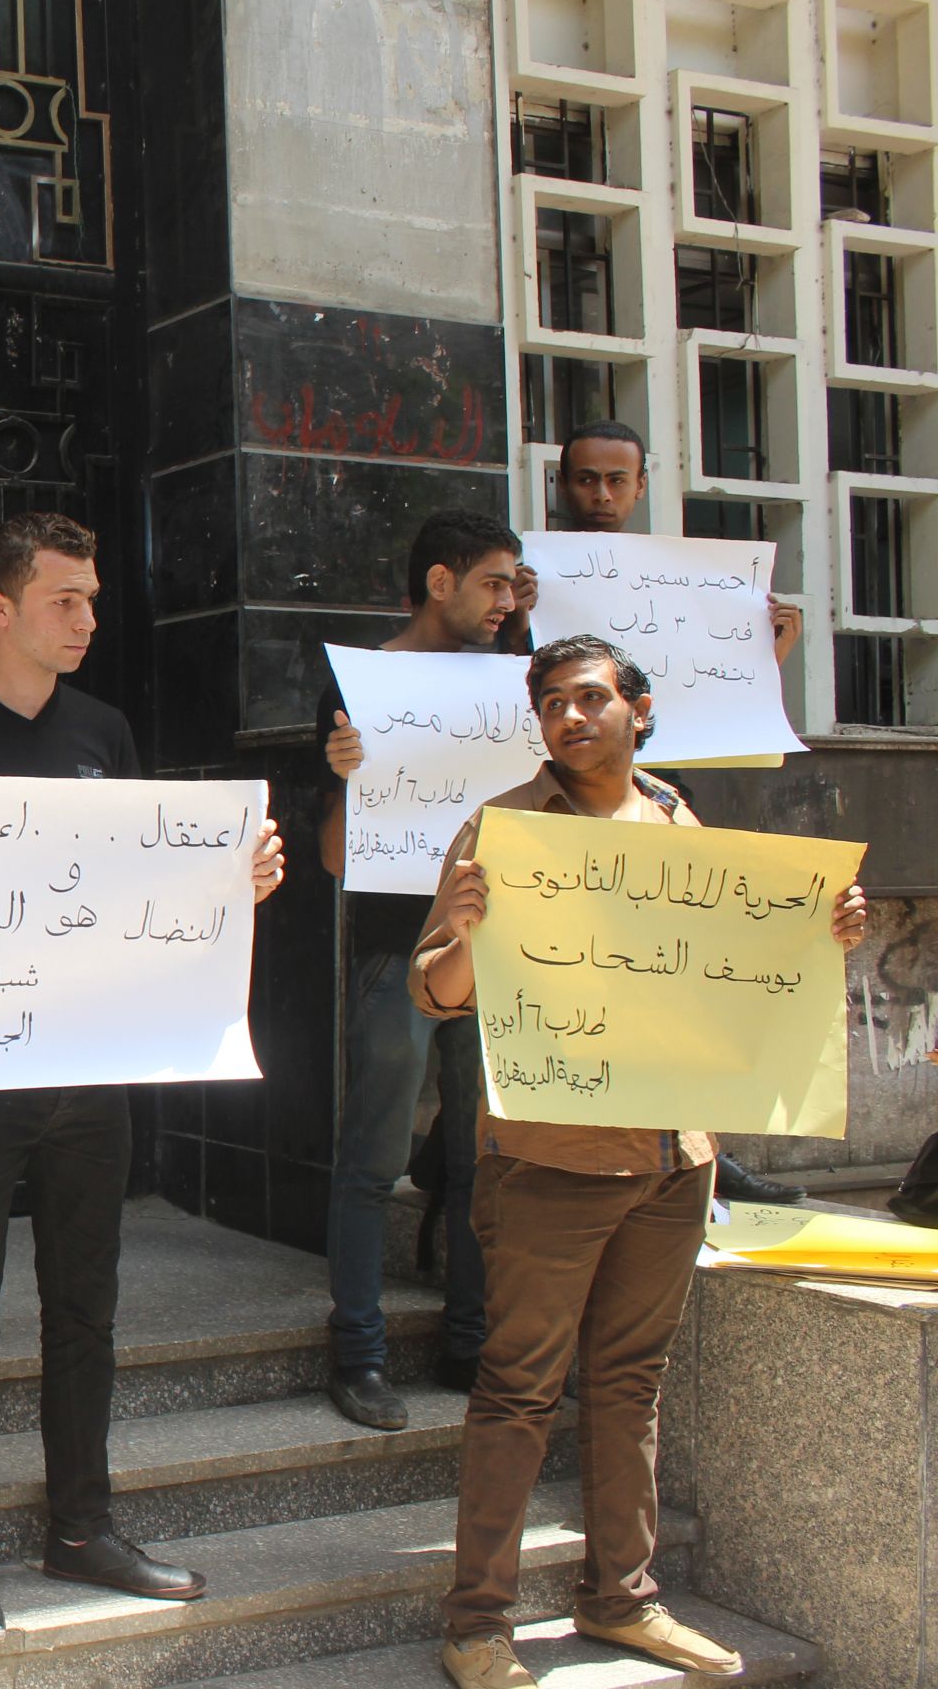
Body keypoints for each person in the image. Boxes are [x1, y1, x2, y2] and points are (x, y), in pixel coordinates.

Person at [0, 512, 286, 1640]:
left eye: (92, 600)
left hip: (93, 1072)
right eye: (64, 600)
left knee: (87, 1310)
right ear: (0, 605)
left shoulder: (103, 730)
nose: (86, 620)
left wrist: (236, 884)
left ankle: (81, 1529)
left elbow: (133, 887)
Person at [412, 634, 868, 1689]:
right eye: (551, 705)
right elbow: (433, 990)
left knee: (630, 1386)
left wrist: (825, 930)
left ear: (640, 709)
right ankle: (477, 1625)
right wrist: (469, 930)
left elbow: (730, 961)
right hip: (550, 1160)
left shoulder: (674, 818)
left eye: (589, 699)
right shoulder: (503, 830)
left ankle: (621, 1600)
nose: (570, 719)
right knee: (520, 1392)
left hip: (675, 1157)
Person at [552, 419, 809, 1208]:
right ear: (561, 484)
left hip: (661, 808)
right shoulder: (534, 582)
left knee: (670, 984)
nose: (601, 495)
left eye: (616, 480)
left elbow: (710, 710)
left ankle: (700, 1148)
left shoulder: (682, 584)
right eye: (586, 479)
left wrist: (764, 658)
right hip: (565, 820)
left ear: (640, 486)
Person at [316, 511, 524, 1426]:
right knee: (374, 1157)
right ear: (441, 582)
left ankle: (469, 1343)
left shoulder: (518, 689)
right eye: (492, 583)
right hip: (396, 951)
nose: (506, 601)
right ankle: (358, 1356)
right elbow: (333, 858)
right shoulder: (364, 686)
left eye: (514, 585)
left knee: (482, 1158)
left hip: (494, 952)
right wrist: (348, 779)